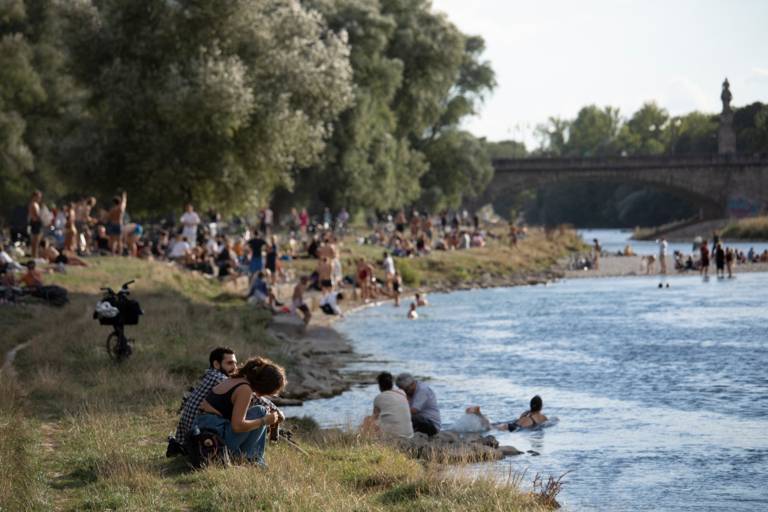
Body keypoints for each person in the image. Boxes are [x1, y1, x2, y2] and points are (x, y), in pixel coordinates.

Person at [195, 357, 286, 465]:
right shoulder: (244, 389)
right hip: (216, 438)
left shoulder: (235, 379)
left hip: (205, 434)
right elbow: (237, 426)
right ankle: (253, 460)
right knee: (260, 411)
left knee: (258, 412)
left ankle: (245, 458)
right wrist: (264, 421)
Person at [167, 347, 238, 457]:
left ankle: (181, 448)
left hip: (189, 434)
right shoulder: (219, 378)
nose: (234, 367)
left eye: (235, 363)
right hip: (200, 436)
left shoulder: (209, 374)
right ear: (216, 364)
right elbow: (248, 395)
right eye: (229, 363)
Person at [363, 372, 413, 439]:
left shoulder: (379, 398)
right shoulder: (402, 393)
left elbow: (374, 418)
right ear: (392, 384)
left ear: (379, 386)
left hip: (391, 438)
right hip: (409, 435)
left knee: (368, 419)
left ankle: (363, 441)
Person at [28, 190, 44, 259]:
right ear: (35, 196)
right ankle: (35, 255)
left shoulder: (34, 204)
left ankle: (34, 255)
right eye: (39, 197)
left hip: (34, 223)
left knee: (35, 240)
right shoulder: (34, 204)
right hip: (35, 223)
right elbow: (36, 215)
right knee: (36, 240)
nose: (40, 198)